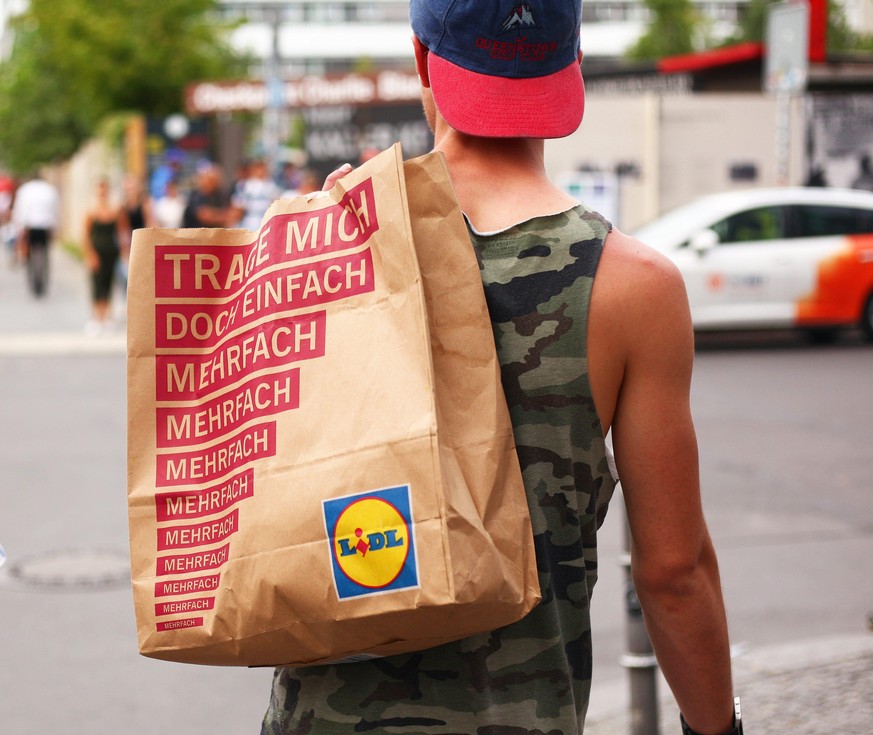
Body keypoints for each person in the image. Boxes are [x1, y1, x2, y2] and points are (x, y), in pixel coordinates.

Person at [262, 2, 741, 734]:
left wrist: (319, 237)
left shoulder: (332, 240)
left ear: (422, 59)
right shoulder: (633, 285)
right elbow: (673, 572)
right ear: (570, 64)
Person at [81, 179, 129, 335]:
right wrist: (89, 254)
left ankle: (107, 317)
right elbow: (86, 235)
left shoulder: (114, 210)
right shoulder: (90, 211)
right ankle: (96, 318)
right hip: (97, 251)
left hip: (111, 252)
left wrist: (124, 250)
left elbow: (122, 231)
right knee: (96, 284)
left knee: (109, 283)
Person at [11, 171, 60, 297]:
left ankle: (33, 280)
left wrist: (20, 228)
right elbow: (56, 210)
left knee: (30, 255)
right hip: (45, 226)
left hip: (30, 226)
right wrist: (55, 227)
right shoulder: (50, 190)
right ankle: (42, 280)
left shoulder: (25, 190)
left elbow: (19, 210)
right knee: (44, 254)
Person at [231, 158, 282, 230]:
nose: (260, 171)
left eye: (262, 168)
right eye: (257, 168)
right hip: (249, 222)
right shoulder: (244, 185)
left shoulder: (272, 185)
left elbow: (277, 205)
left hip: (267, 221)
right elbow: (237, 207)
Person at [182, 162, 232, 228]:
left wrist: (213, 214)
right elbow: (204, 217)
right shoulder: (196, 196)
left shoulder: (221, 195)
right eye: (209, 180)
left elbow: (230, 216)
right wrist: (220, 214)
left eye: (214, 180)